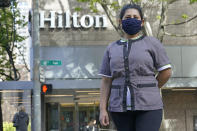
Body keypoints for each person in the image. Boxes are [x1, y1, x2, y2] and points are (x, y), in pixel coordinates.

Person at [99, 4, 172, 131]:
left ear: (142, 22)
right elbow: (106, 81)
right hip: (119, 108)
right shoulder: (111, 48)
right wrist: (102, 109)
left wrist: (151, 88)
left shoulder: (152, 43)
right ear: (120, 22)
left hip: (149, 107)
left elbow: (166, 72)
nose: (131, 19)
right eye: (128, 17)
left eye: (135, 17)